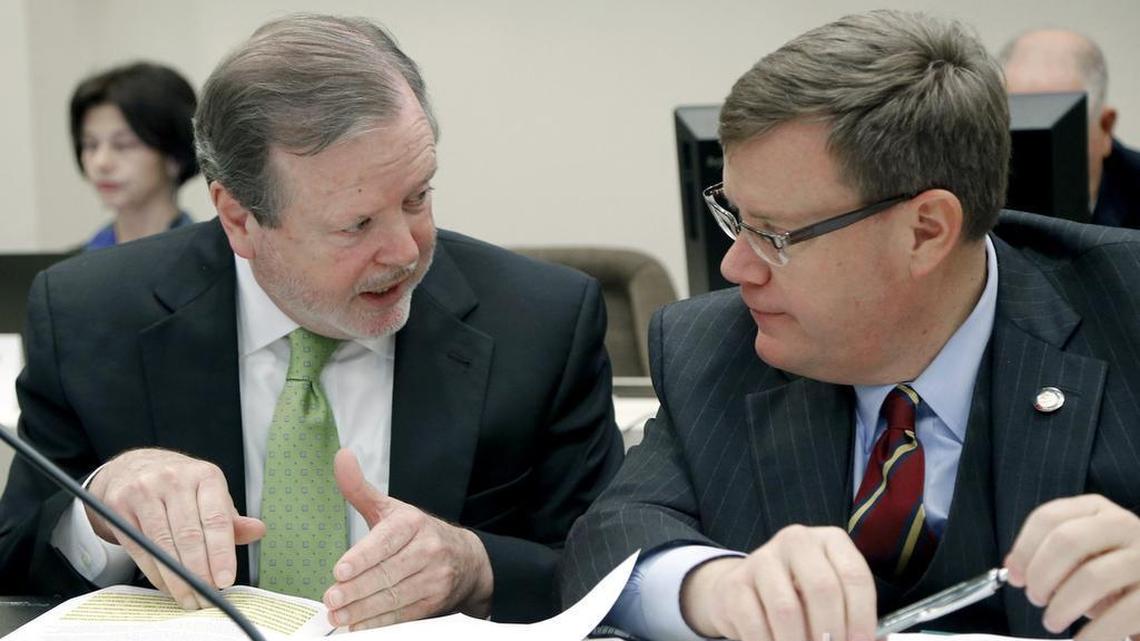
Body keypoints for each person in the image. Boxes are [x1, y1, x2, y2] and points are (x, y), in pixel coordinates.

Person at [0, 13, 624, 630]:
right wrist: (99, 511)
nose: (406, 251)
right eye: (356, 225)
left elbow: (617, 570)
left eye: (417, 197)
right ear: (240, 219)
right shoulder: (91, 316)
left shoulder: (541, 323)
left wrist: (478, 568)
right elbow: (15, 563)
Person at [561, 10, 1140, 641]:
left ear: (926, 231)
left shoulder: (1124, 305)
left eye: (773, 234)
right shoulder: (713, 346)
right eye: (735, 217)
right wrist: (716, 587)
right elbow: (612, 537)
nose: (735, 267)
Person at [1000, 29, 1140, 229]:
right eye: (1019, 127)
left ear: (1105, 127)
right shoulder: (967, 192)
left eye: (1061, 132)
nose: (1036, 154)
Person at [69, 61, 199, 250]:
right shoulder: (68, 270)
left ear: (174, 157)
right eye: (91, 145)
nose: (101, 162)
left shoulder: (215, 260)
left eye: (123, 145)